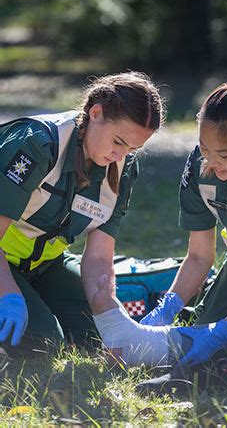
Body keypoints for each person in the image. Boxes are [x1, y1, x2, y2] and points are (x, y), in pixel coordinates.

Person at [92, 71, 227, 385]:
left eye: (223, 154)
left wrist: (223, 332)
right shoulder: (201, 165)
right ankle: (151, 345)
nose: (210, 161)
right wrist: (166, 309)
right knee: (201, 340)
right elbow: (199, 257)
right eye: (204, 148)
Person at [0, 71, 163, 357]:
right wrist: (9, 295)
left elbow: (99, 257)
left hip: (44, 265)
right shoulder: (37, 144)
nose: (120, 155)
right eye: (118, 141)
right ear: (96, 113)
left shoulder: (124, 168)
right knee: (42, 345)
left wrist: (111, 317)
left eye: (133, 148)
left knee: (95, 336)